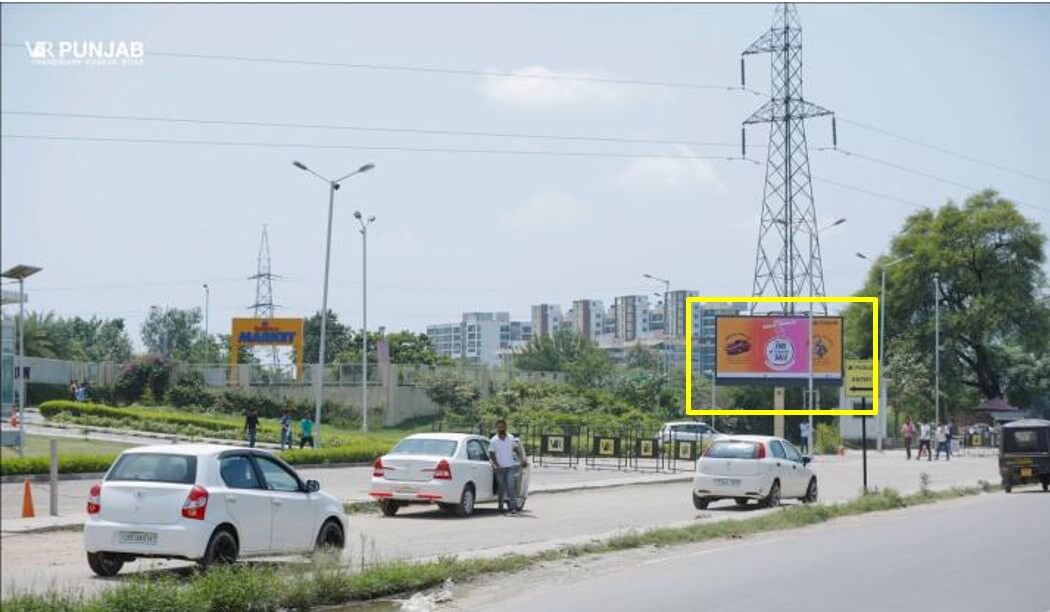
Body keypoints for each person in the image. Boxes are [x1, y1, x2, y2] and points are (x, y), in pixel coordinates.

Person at [488, 419, 527, 515]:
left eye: (502, 426)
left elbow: (516, 449)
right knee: (501, 487)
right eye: (499, 427)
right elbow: (491, 454)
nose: (501, 428)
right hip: (499, 468)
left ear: (505, 427)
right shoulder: (493, 440)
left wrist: (521, 459)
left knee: (510, 486)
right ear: (496, 428)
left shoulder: (511, 437)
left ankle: (512, 507)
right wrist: (496, 465)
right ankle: (500, 505)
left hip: (510, 466)